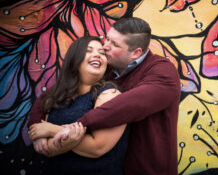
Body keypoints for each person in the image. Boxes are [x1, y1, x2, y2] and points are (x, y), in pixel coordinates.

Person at [28, 17, 181, 175]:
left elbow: (126, 106)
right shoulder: (105, 68)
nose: (105, 46)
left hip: (147, 168)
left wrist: (71, 128)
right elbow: (52, 94)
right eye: (107, 39)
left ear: (136, 53)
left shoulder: (163, 73)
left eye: (114, 44)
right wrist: (36, 130)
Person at [28, 36, 129, 175]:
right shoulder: (56, 96)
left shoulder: (110, 94)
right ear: (75, 60)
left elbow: (97, 148)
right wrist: (62, 141)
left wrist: (52, 130)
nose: (97, 55)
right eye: (89, 50)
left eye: (102, 53)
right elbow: (47, 149)